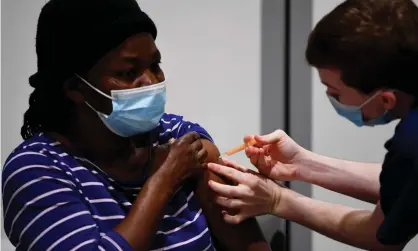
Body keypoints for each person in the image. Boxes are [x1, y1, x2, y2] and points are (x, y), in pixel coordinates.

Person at [1, 0, 271, 250]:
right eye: (128, 73)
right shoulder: (37, 170)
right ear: (75, 88)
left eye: (155, 65)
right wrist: (163, 181)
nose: (151, 82)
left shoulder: (177, 136)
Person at [206, 0, 418, 250]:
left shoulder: (412, 141)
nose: (332, 99)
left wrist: (278, 200)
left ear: (386, 99)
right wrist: (302, 164)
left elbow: (381, 236)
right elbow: (403, 182)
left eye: (335, 93)